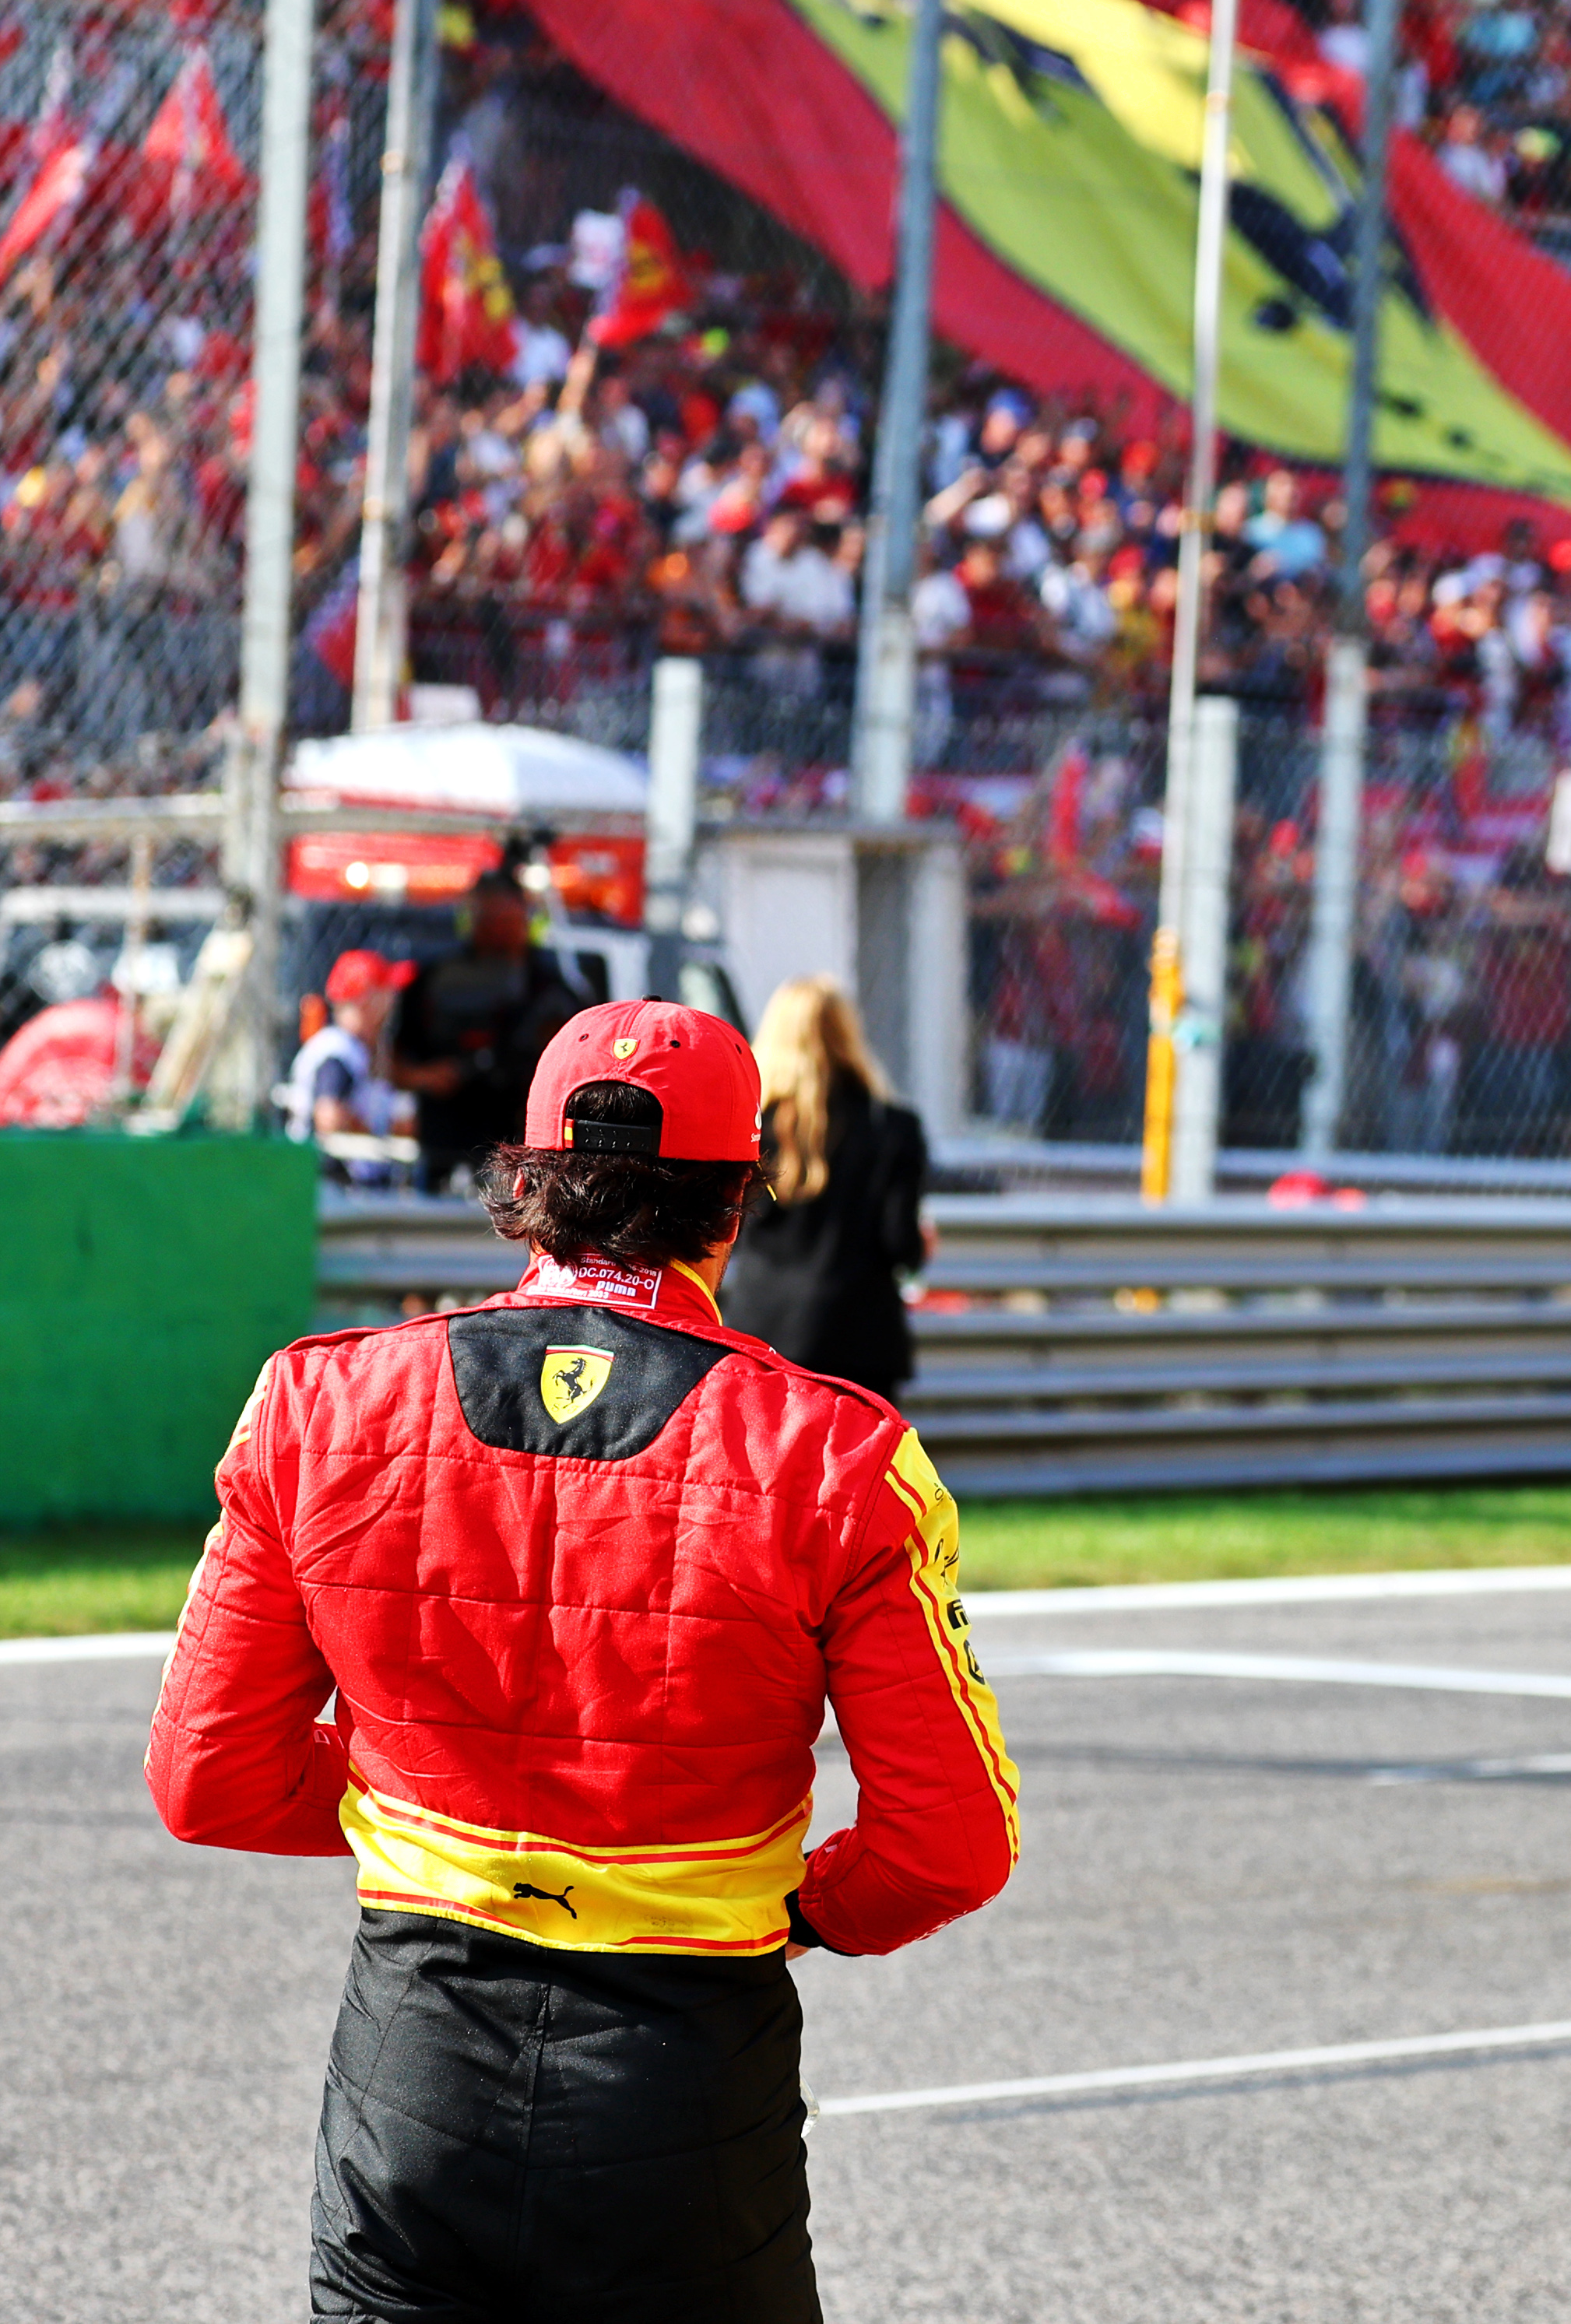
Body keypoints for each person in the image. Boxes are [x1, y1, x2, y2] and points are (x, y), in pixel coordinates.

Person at [146, 999, 1022, 2322]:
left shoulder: (315, 1405)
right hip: (684, 2075)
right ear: (739, 1197)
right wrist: (811, 1910)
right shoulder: (837, 1454)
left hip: (415, 2062)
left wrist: (409, 1787)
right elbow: (949, 1841)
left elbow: (207, 1781)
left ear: (527, 1184)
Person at [718, 979, 933, 1402]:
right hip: (859, 1339)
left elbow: (728, 1233)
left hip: (763, 1331)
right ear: (848, 1035)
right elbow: (900, 1243)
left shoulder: (748, 1128)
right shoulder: (892, 1127)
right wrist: (921, 1244)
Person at [387, 869, 596, 1193]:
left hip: (520, 1143)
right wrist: (428, 1076)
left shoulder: (552, 991)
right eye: (488, 920)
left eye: (506, 920)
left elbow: (582, 1069)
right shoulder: (434, 982)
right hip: (445, 1141)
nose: (498, 931)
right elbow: (394, 1064)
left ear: (524, 918)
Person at [286, 950, 410, 1188]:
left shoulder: (358, 1049)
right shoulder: (338, 1050)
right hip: (332, 1184)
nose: (392, 1002)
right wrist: (373, 1132)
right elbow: (328, 1117)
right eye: (385, 993)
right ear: (367, 1001)